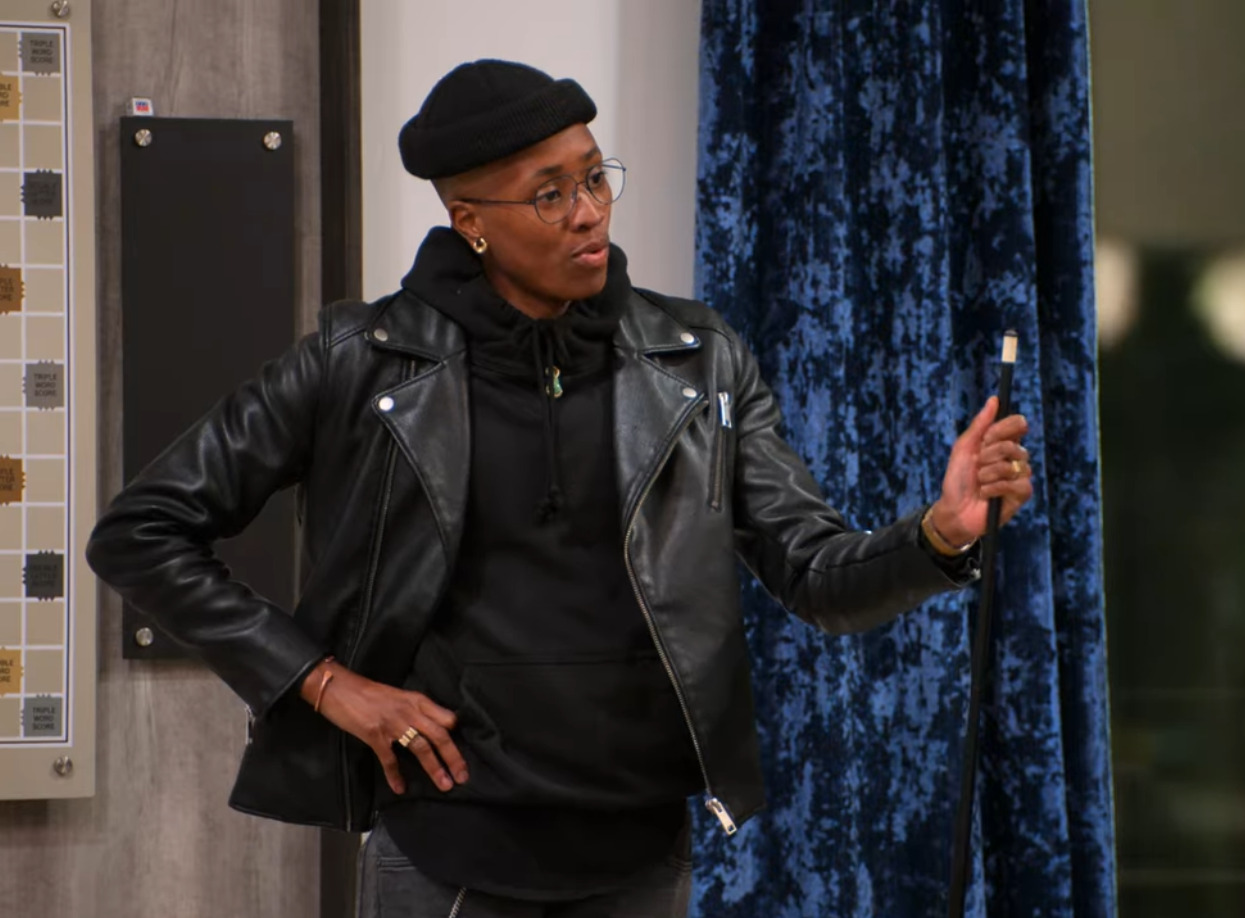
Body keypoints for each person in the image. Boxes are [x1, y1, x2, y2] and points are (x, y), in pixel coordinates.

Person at [86, 59, 1034, 918]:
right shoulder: (360, 361)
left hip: (641, 856)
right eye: (550, 194)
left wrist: (941, 533)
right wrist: (326, 686)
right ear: (470, 221)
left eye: (594, 177)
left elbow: (816, 574)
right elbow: (142, 532)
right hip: (448, 855)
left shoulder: (696, 361)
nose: (589, 213)